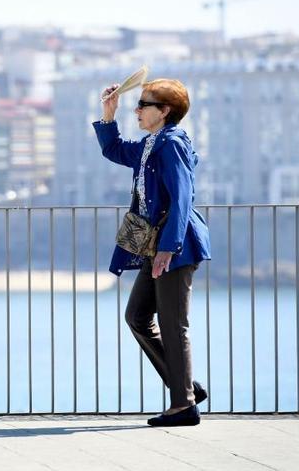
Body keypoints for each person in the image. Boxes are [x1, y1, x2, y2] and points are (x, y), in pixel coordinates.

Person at [94, 79, 211, 426]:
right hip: (154, 245)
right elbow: (113, 149)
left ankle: (183, 407)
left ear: (164, 112)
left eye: (144, 104)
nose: (138, 109)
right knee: (137, 317)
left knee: (173, 325)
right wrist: (108, 113)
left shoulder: (171, 144)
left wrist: (169, 247)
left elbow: (183, 197)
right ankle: (185, 388)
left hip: (175, 245)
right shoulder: (150, 144)